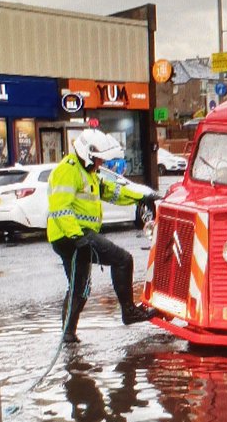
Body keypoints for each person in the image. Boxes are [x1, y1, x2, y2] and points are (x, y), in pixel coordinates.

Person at [47, 130, 158, 343]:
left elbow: (111, 192)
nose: (100, 163)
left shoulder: (87, 172)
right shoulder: (67, 170)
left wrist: (141, 197)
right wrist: (76, 237)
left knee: (80, 286)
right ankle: (129, 311)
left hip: (74, 235)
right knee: (122, 260)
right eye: (98, 159)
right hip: (71, 237)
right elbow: (59, 208)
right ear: (88, 154)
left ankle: (68, 334)